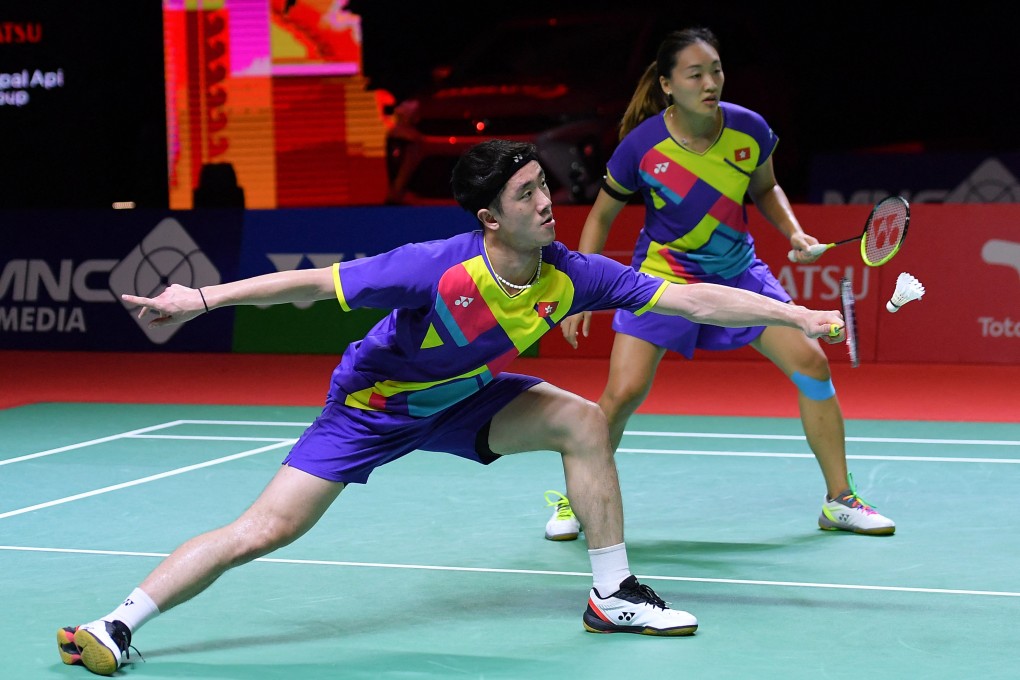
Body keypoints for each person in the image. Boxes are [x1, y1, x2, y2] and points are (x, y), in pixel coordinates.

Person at [56, 139, 847, 676]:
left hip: (464, 400)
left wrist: (796, 316)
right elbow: (310, 285)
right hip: (369, 410)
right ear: (489, 219)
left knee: (584, 418)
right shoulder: (433, 269)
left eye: (545, 186)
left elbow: (694, 299)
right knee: (263, 530)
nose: (548, 202)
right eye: (527, 193)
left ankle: (613, 594)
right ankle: (119, 623)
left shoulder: (572, 273)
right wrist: (200, 296)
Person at [544, 27, 895, 542]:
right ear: (667, 84)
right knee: (623, 392)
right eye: (695, 74)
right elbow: (599, 219)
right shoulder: (641, 147)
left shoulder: (750, 131)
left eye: (716, 70)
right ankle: (575, 499)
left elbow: (766, 187)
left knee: (812, 364)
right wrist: (583, 290)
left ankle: (839, 499)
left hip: (737, 272)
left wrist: (794, 233)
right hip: (662, 279)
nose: (711, 82)